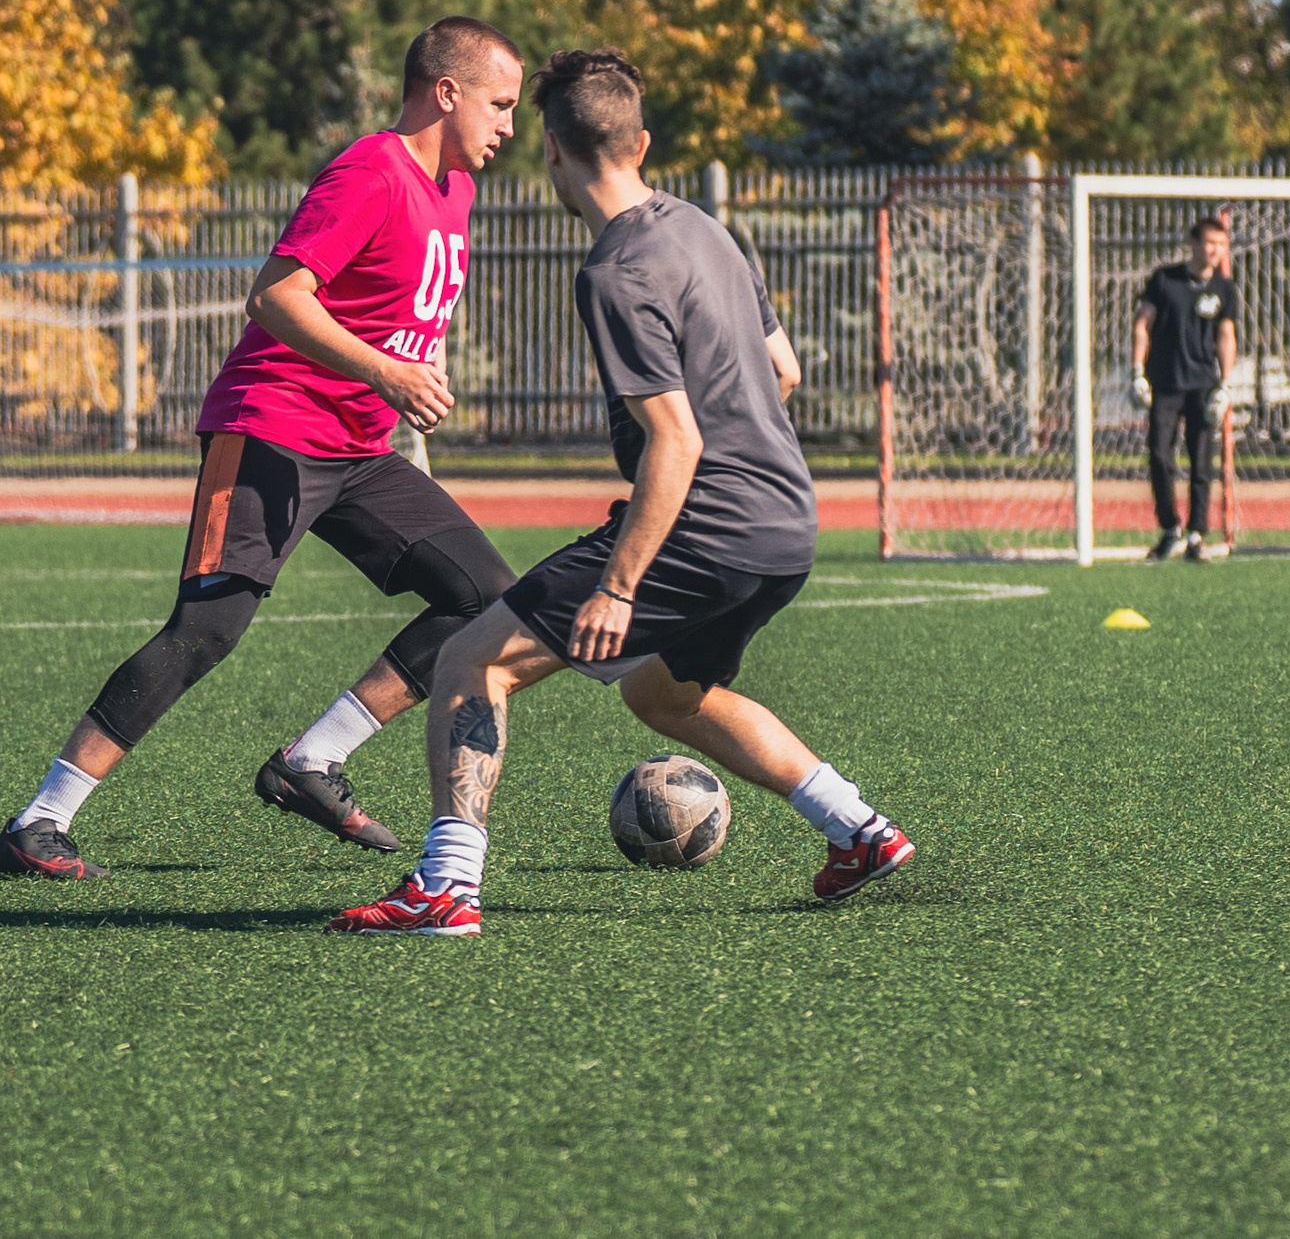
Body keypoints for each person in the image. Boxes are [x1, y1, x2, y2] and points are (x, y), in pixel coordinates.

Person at [325, 49, 915, 937]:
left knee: (469, 660)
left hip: (701, 525)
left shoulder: (615, 269)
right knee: (663, 694)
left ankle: (445, 888)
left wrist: (621, 582)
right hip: (787, 525)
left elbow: (677, 439)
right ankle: (858, 828)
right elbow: (782, 370)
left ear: (553, 151)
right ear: (641, 142)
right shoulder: (708, 230)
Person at [0, 17, 526, 880]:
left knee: (487, 597)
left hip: (360, 447)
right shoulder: (371, 168)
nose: (509, 126)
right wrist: (388, 372)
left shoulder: (457, 191)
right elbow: (275, 296)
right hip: (270, 426)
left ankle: (310, 760)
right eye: (500, 104)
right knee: (206, 628)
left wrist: (404, 381)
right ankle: (39, 820)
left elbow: (393, 312)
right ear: (447, 91)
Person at [1129, 214, 1239, 563]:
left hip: (1203, 386)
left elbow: (1226, 336)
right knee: (1160, 457)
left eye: (1221, 245)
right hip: (1165, 382)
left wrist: (1225, 384)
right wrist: (1137, 371)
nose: (1215, 250)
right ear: (1193, 243)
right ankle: (1170, 529)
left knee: (1201, 462)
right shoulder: (1165, 280)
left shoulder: (1224, 288)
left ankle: (1196, 535)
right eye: (1209, 243)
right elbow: (1142, 323)